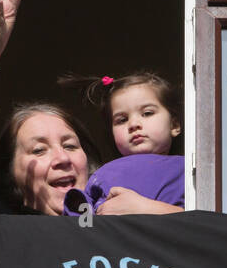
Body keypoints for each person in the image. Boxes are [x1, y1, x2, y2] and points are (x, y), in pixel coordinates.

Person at [0, 0, 174, 216]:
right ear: (11, 178)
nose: (62, 159)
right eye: (39, 150)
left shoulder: (122, 216)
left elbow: (217, 235)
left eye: (70, 146)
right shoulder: (4, 227)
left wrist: (152, 213)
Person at [56, 71, 186, 216]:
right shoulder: (104, 173)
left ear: (174, 125)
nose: (134, 124)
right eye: (122, 120)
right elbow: (82, 222)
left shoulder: (192, 170)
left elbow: (206, 221)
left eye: (147, 113)